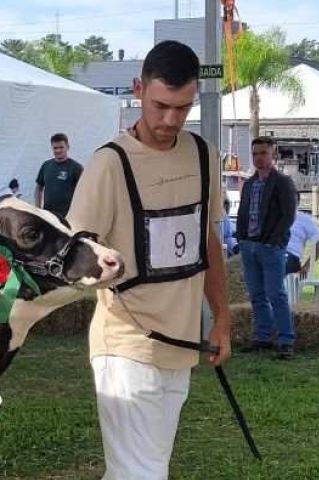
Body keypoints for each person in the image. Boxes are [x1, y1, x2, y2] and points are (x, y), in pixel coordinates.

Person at [67, 41, 231, 480]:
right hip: (126, 344)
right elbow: (76, 251)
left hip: (181, 345)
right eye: (160, 105)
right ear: (138, 89)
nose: (170, 120)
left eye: (183, 108)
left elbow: (207, 241)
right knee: (141, 473)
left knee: (141, 469)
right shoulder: (109, 164)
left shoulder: (203, 155)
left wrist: (221, 319)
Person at [235, 136, 298, 359]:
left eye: (263, 153)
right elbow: (243, 211)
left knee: (275, 294)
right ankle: (262, 337)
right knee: (256, 294)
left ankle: (286, 340)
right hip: (249, 244)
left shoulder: (282, 182)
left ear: (273, 155)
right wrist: (241, 237)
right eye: (255, 154)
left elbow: (288, 215)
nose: (259, 158)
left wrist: (274, 240)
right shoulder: (250, 183)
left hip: (270, 246)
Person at [35, 133, 83, 218]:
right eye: (55, 148)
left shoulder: (76, 168)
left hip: (68, 217)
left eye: (61, 147)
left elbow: (83, 192)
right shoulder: (46, 165)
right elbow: (39, 188)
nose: (58, 150)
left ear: (67, 147)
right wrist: (38, 209)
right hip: (48, 216)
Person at [286, 193, 319, 276]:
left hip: (291, 257)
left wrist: (307, 266)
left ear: (298, 203)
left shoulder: (304, 219)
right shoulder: (273, 218)